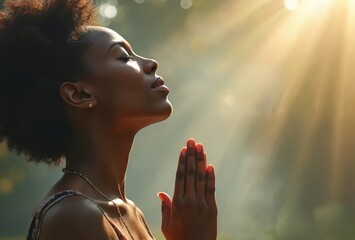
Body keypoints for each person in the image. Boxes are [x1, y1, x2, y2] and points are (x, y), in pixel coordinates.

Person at [0, 0, 217, 239]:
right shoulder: (74, 215)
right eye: (124, 57)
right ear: (79, 94)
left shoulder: (131, 212)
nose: (150, 63)